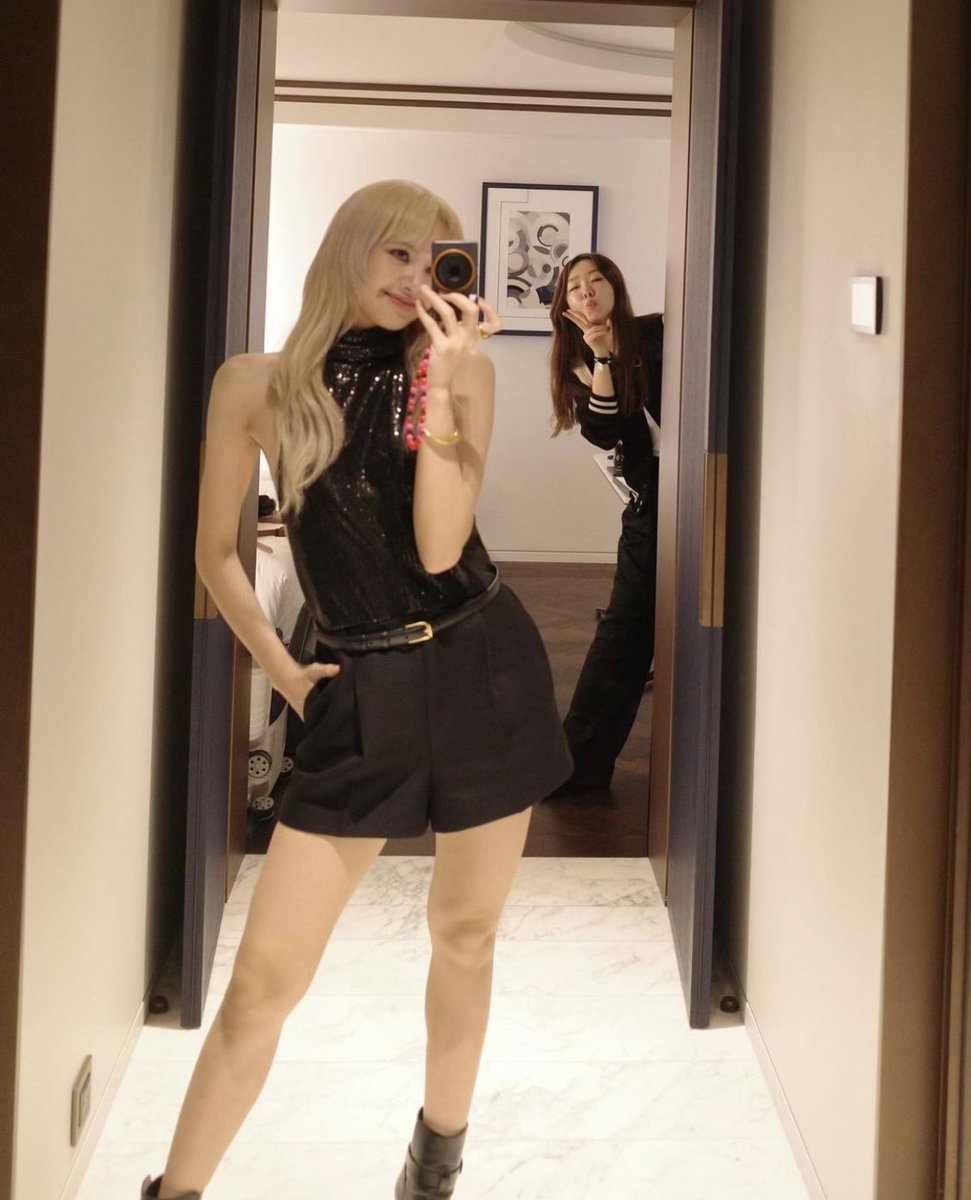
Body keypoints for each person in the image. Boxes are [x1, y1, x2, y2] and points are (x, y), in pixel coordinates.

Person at [141, 180, 571, 1200]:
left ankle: (433, 1168)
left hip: (480, 667)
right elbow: (214, 553)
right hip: (358, 685)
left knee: (463, 935)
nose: (415, 279)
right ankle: (176, 1190)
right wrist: (280, 668)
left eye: (435, 260)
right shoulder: (252, 384)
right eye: (396, 254)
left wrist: (443, 384)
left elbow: (439, 545)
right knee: (261, 981)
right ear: (348, 250)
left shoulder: (461, 374)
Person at [546, 253, 663, 796]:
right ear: (565, 303)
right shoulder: (576, 360)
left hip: (701, 487)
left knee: (635, 630)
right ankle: (578, 768)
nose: (587, 291)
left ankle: (579, 766)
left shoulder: (657, 333)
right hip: (652, 501)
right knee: (622, 632)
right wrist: (602, 358)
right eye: (575, 286)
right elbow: (602, 430)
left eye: (596, 280)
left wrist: (620, 352)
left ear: (615, 287)